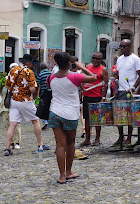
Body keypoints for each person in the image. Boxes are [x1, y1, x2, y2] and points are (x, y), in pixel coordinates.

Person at [48, 52, 97, 184]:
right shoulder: (75, 76)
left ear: (57, 64)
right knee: (70, 144)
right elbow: (93, 77)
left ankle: (62, 176)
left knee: (59, 145)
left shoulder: (51, 78)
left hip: (54, 112)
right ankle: (69, 172)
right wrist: (82, 67)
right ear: (69, 64)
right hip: (70, 114)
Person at [4, 54, 49, 156]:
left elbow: (7, 85)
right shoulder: (29, 72)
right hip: (25, 100)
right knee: (35, 120)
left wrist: (16, 91)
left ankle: (7, 148)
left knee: (13, 124)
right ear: (29, 63)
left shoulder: (13, 70)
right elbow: (32, 89)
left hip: (14, 100)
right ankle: (40, 144)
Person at [112, 39, 140, 147]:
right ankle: (121, 136)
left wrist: (133, 88)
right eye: (121, 46)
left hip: (129, 90)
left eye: (124, 46)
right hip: (120, 90)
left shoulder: (135, 59)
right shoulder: (119, 59)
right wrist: (115, 88)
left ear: (129, 46)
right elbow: (118, 75)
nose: (122, 48)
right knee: (119, 114)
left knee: (129, 115)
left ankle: (129, 137)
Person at [80, 52, 109, 147]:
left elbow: (106, 84)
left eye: (98, 59)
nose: (95, 60)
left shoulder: (103, 69)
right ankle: (87, 139)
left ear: (101, 60)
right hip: (87, 95)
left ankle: (97, 138)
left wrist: (104, 97)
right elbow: (83, 78)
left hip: (97, 96)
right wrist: (82, 90)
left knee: (97, 119)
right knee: (87, 118)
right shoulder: (88, 67)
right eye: (94, 58)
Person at [0, 63, 21, 149]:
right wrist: (1, 85)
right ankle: (10, 142)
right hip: (5, 106)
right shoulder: (5, 79)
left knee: (16, 124)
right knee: (7, 125)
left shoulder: (20, 79)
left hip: (15, 104)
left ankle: (17, 142)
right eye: (12, 68)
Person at [36, 62, 52, 130]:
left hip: (43, 93)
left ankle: (45, 121)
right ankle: (49, 121)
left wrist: (37, 94)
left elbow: (37, 85)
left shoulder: (40, 74)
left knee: (42, 107)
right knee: (49, 107)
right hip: (50, 92)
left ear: (41, 68)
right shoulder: (50, 73)